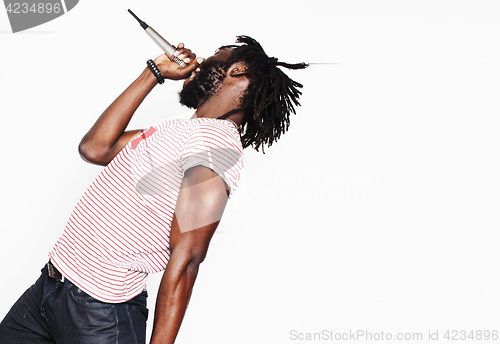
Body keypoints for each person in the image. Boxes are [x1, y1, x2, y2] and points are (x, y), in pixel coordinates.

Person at [0, 35, 307, 344]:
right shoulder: (177, 129)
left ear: (238, 69)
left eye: (216, 55)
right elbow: (95, 148)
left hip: (100, 313)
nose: (200, 61)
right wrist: (153, 73)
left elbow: (186, 260)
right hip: (50, 287)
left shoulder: (214, 147)